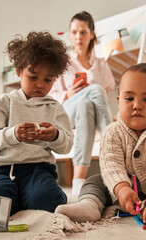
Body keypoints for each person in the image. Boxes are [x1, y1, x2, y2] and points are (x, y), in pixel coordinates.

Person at [55, 63, 146, 223]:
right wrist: (122, 189)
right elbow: (111, 165)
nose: (137, 105)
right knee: (94, 181)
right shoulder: (112, 132)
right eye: (129, 98)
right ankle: (90, 205)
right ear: (119, 101)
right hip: (119, 186)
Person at [0, 31, 73, 215]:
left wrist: (55, 135)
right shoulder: (5, 102)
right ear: (19, 71)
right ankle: (19, 198)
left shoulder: (55, 107)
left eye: (48, 80)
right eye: (33, 76)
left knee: (47, 200)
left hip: (37, 168)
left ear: (55, 78)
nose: (40, 84)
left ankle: (27, 197)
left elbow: (67, 146)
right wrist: (12, 134)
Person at [49, 11, 115, 195]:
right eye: (74, 32)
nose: (78, 37)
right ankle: (112, 145)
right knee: (96, 89)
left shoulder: (101, 64)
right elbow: (51, 95)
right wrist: (68, 93)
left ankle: (78, 181)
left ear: (91, 34)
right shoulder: (63, 62)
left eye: (83, 32)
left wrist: (93, 99)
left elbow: (109, 90)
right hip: (65, 112)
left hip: (87, 111)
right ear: (70, 34)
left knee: (86, 105)